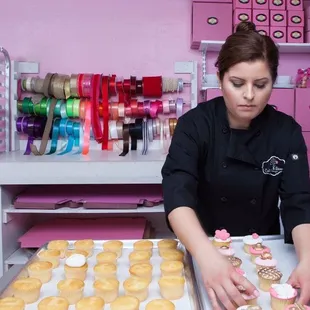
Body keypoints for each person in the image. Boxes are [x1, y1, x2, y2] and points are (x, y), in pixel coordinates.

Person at [161, 21, 310, 310]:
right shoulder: (196, 125)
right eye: (238, 83)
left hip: (264, 247)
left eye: (261, 84)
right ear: (220, 79)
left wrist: (308, 260)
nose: (250, 95)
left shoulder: (286, 131)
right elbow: (177, 192)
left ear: (274, 81)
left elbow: (299, 202)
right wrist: (207, 257)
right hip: (201, 244)